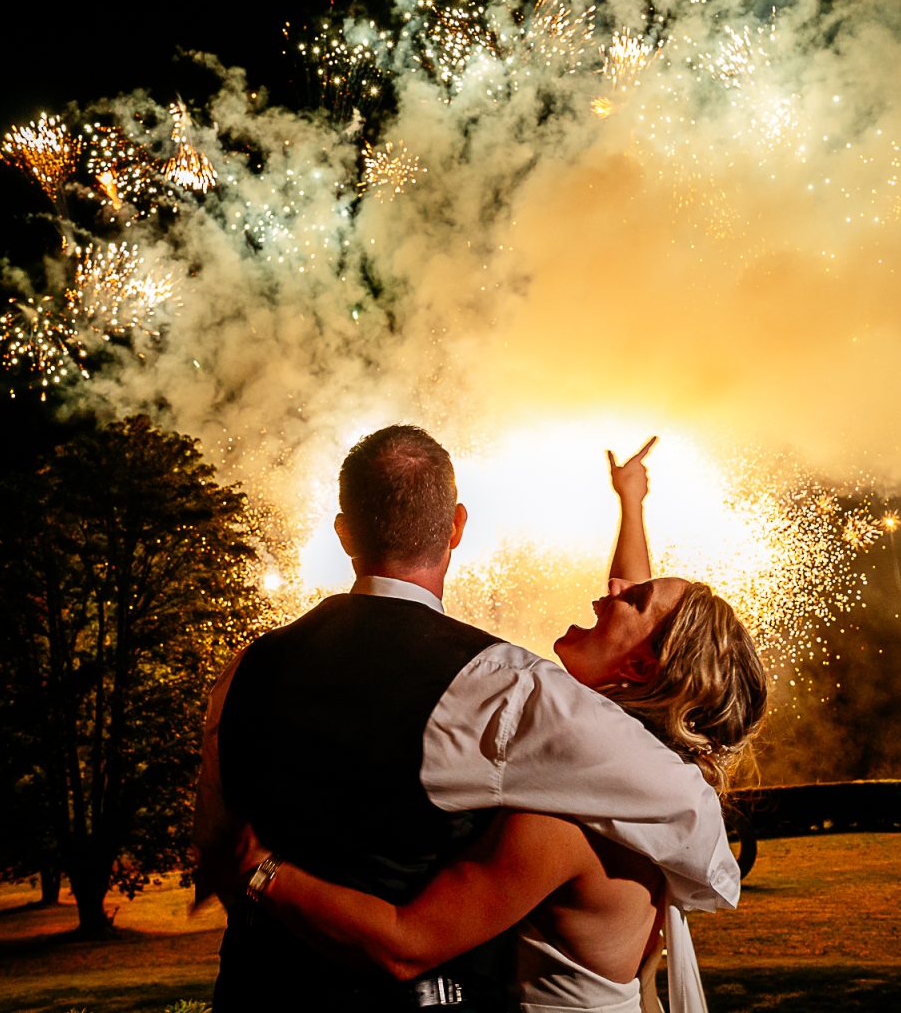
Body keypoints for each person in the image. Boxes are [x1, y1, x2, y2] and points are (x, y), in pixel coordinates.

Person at [195, 427, 745, 1012]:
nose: (610, 592)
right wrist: (630, 503)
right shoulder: (514, 696)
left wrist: (251, 870)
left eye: (631, 600)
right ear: (456, 526)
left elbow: (220, 829)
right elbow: (685, 796)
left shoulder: (244, 669)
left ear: (343, 532)